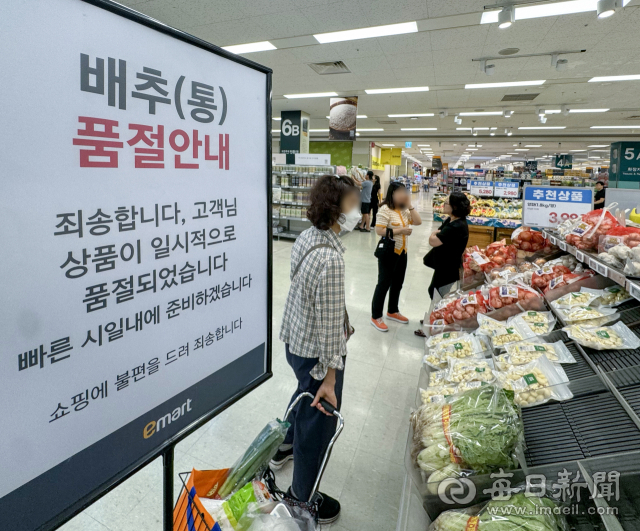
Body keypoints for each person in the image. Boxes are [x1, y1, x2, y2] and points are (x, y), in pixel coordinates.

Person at [274, 174, 360, 524]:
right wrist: (330, 377)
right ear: (337, 211)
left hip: (295, 341)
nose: (360, 209)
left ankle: (283, 446)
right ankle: (301, 499)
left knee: (301, 397)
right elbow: (328, 332)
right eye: (353, 203)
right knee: (318, 422)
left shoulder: (308, 236)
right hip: (316, 354)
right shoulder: (332, 260)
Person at [370, 181, 422, 332]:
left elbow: (418, 221)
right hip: (388, 252)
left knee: (398, 283)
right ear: (392, 194)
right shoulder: (385, 210)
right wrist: (400, 230)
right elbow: (379, 230)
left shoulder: (404, 210)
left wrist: (410, 205)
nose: (403, 195)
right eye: (400, 192)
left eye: (404, 192)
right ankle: (376, 316)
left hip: (402, 252)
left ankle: (392, 310)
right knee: (383, 284)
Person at [425, 192, 471, 299]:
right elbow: (440, 233)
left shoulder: (456, 226)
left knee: (438, 294)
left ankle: (438, 314)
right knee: (434, 290)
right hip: (445, 265)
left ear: (454, 207)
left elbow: (433, 241)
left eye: (446, 203)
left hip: (448, 267)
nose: (443, 205)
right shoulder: (452, 220)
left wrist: (432, 234)